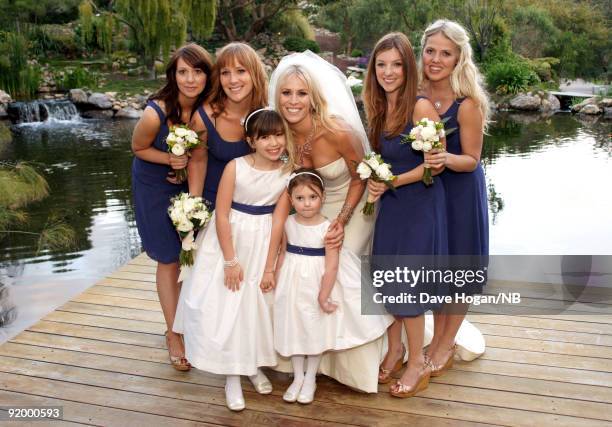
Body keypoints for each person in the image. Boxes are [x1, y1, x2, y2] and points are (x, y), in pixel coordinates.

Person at [262, 51, 387, 393]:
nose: (293, 101)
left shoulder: (337, 130)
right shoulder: (281, 132)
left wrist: (342, 221)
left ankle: (354, 362)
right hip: (312, 205)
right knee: (302, 269)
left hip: (355, 203)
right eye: (286, 93)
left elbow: (362, 176)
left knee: (340, 264)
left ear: (314, 97)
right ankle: (309, 360)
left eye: (301, 93)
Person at [174, 109, 294, 411]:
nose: (274, 143)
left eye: (279, 135)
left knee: (256, 307)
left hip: (263, 240)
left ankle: (251, 367)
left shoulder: (287, 172)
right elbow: (223, 214)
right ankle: (231, 376)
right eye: (265, 137)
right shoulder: (235, 167)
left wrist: (270, 266)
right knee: (229, 306)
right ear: (251, 140)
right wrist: (230, 260)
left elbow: (279, 221)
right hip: (230, 241)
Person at [364, 32, 448, 398]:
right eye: (381, 64)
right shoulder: (378, 107)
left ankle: (417, 364)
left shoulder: (420, 108)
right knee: (385, 279)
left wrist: (392, 179)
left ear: (408, 67)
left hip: (419, 206)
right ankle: (395, 350)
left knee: (406, 285)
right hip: (392, 207)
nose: (388, 71)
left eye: (396, 64)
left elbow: (436, 165)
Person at [274, 169, 392, 404]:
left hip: (317, 284)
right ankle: (297, 377)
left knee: (314, 330)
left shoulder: (328, 227)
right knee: (295, 329)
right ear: (290, 199)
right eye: (299, 198)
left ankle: (310, 379)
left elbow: (332, 266)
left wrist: (324, 294)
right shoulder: (287, 222)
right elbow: (282, 254)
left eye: (312, 197)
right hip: (293, 283)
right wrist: (277, 280)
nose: (306, 204)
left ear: (323, 197)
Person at [131, 43, 213, 371]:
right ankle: (173, 333)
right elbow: (137, 147)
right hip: (153, 186)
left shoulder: (208, 110)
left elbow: (202, 155)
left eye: (197, 71)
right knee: (168, 258)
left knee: (189, 254)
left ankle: (190, 323)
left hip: (188, 182)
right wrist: (169, 157)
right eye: (182, 72)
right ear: (173, 74)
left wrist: (193, 202)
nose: (190, 79)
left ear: (208, 74)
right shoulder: (156, 112)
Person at [418, 19, 490, 374]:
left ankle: (446, 344)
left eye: (445, 53)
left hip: (461, 193)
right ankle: (438, 337)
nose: (435, 59)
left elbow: (473, 159)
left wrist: (444, 158)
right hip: (430, 192)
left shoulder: (467, 103)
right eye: (430, 51)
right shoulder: (416, 94)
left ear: (459, 57)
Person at [187, 42, 268, 207]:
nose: (233, 80)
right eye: (225, 73)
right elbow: (197, 162)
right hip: (214, 207)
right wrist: (192, 210)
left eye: (241, 71)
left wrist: (288, 160)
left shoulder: (269, 114)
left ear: (255, 74)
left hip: (257, 208)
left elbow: (284, 157)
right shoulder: (204, 118)